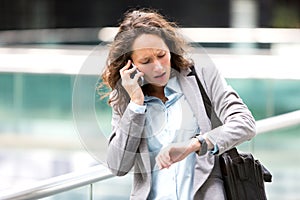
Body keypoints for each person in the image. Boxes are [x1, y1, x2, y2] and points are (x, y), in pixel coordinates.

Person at [101, 8, 256, 200]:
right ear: (130, 64)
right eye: (146, 61)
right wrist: (136, 104)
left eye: (161, 55)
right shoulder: (127, 98)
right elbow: (118, 166)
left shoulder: (201, 74)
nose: (158, 67)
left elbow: (245, 123)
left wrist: (195, 144)